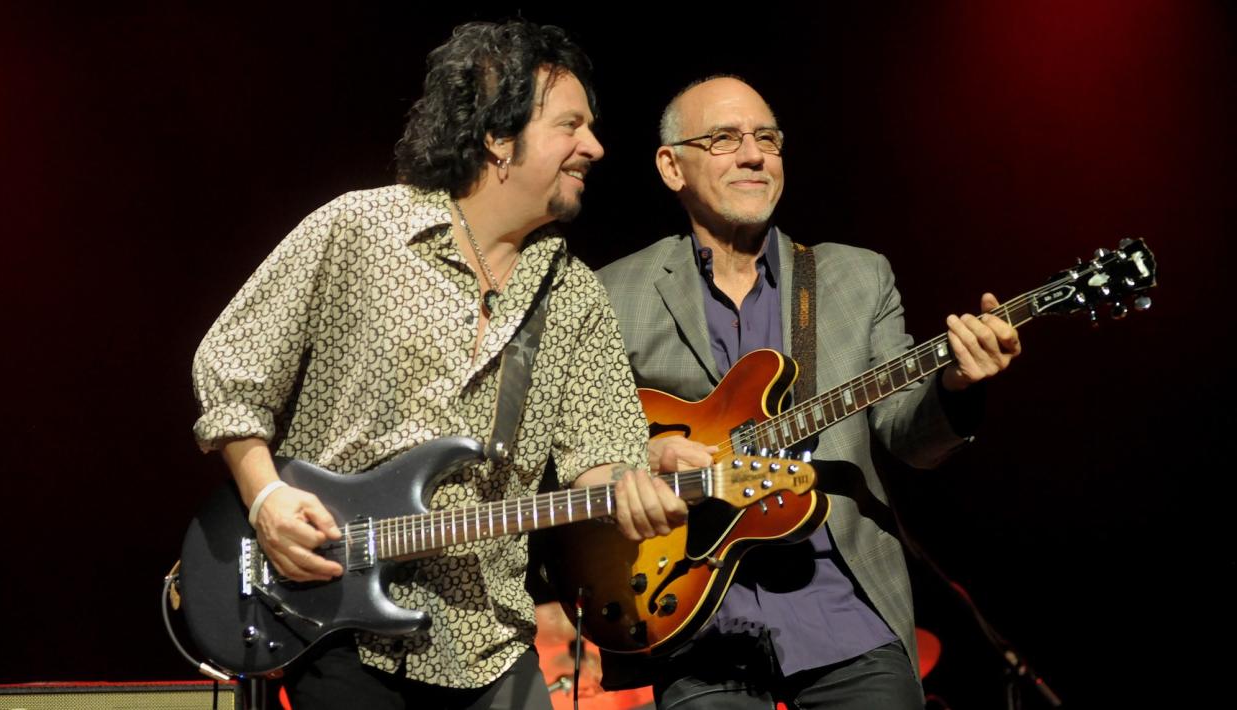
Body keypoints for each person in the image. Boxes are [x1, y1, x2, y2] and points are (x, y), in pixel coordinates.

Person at [190, 20, 683, 710]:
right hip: (334, 622)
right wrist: (265, 496)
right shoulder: (359, 229)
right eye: (570, 125)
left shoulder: (573, 294)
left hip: (491, 637)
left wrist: (633, 486)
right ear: (496, 134)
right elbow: (232, 365)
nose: (594, 147)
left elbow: (598, 454)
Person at [594, 76, 1022, 709]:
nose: (752, 154)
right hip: (691, 614)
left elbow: (909, 438)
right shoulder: (610, 292)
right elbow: (576, 447)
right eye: (723, 139)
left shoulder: (855, 275)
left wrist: (955, 384)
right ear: (671, 166)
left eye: (767, 138)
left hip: (843, 612)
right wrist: (647, 458)